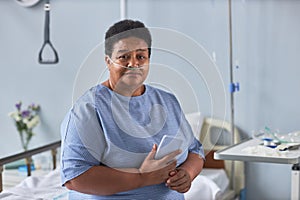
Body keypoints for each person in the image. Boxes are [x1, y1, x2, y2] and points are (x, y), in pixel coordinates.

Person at [60, 19, 205, 200]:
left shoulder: (168, 101)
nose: (133, 64)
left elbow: (195, 150)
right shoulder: (89, 109)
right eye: (124, 57)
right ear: (108, 61)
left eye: (140, 56)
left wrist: (187, 173)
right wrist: (141, 177)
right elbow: (75, 177)